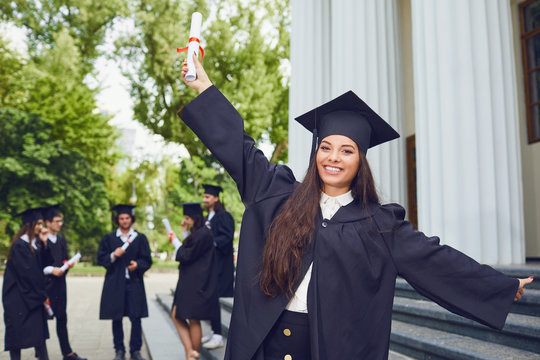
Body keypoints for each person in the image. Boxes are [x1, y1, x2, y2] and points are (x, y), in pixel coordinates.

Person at [178, 55, 534, 360]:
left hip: (328, 348)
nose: (333, 157)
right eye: (326, 147)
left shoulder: (379, 225)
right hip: (264, 342)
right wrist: (204, 88)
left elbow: (434, 261)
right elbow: (240, 150)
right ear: (315, 151)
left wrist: (497, 287)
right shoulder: (276, 194)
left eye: (346, 150)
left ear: (360, 159)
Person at [97, 205, 152, 360]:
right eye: (121, 218)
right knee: (117, 317)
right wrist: (113, 255)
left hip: (134, 283)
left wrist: (138, 265)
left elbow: (147, 260)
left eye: (127, 218)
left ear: (131, 219)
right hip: (115, 284)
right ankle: (119, 350)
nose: (124, 221)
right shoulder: (109, 238)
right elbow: (101, 259)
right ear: (117, 220)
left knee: (136, 317)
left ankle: (135, 350)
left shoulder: (139, 238)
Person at [169, 202, 219, 360]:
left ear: (194, 218)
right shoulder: (202, 231)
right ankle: (191, 352)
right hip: (191, 280)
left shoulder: (203, 233)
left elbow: (185, 254)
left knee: (190, 317)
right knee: (180, 315)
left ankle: (192, 354)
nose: (186, 222)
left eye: (187, 219)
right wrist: (184, 232)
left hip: (195, 282)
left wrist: (175, 241)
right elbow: (192, 248)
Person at [2, 207, 52, 360]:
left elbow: (45, 264)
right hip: (18, 298)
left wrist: (44, 243)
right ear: (29, 225)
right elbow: (30, 274)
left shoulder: (33, 244)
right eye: (38, 224)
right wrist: (43, 296)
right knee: (17, 338)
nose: (41, 227)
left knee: (38, 335)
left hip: (30, 296)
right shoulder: (19, 246)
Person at [42, 205, 87, 360]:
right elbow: (36, 264)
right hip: (45, 286)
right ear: (47, 222)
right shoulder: (41, 240)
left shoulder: (61, 240)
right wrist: (50, 270)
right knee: (41, 320)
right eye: (56, 221)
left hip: (60, 285)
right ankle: (39, 355)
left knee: (62, 318)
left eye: (61, 221)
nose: (60, 224)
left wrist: (67, 266)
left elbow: (64, 259)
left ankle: (67, 353)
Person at [201, 184, 235, 349]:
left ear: (215, 198)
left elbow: (227, 237)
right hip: (209, 265)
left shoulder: (224, 216)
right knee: (210, 299)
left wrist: (210, 244)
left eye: (207, 197)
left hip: (221, 265)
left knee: (215, 299)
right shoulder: (208, 217)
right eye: (204, 197)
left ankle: (218, 335)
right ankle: (215, 331)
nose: (204, 199)